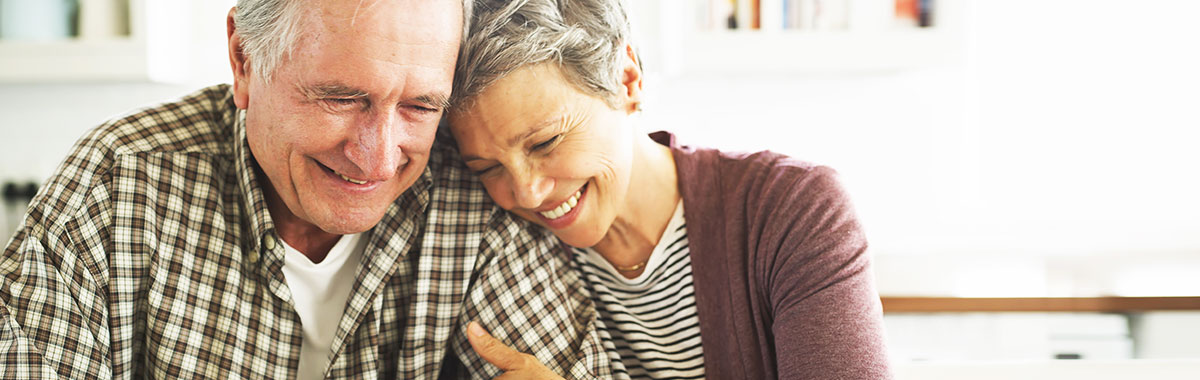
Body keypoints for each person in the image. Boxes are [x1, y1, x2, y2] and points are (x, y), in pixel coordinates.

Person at [0, 0, 612, 379]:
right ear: (244, 60)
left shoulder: (477, 186)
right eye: (341, 97)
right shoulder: (118, 186)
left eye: (421, 106)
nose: (378, 157)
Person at [447, 0, 893, 378]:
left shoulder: (794, 211)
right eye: (488, 168)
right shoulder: (500, 251)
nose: (525, 193)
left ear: (627, 81)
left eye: (545, 142)